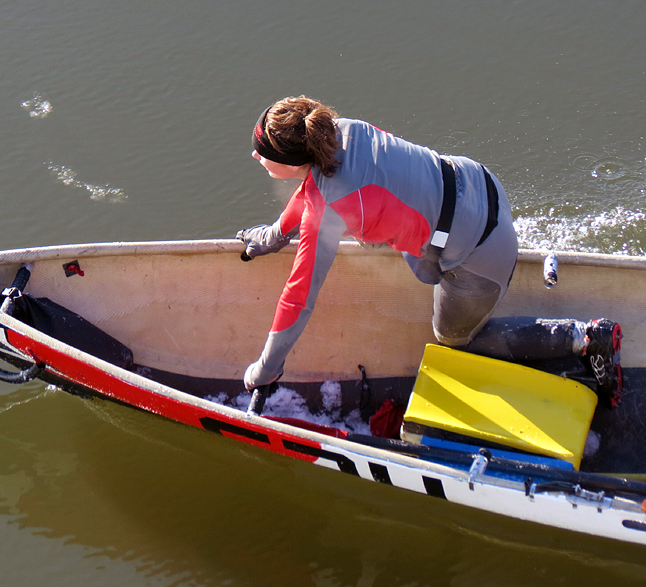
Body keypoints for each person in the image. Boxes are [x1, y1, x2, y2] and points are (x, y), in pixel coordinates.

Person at [237, 96, 623, 407]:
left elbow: (299, 298)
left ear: (292, 161)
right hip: (478, 182)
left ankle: (583, 338)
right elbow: (316, 191)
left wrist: (266, 369)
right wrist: (275, 235)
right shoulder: (340, 130)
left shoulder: (328, 209)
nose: (257, 157)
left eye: (263, 152)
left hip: (481, 252)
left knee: (453, 339)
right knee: (385, 238)